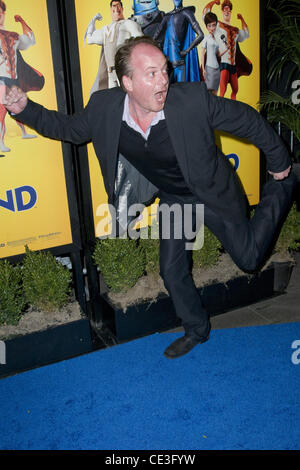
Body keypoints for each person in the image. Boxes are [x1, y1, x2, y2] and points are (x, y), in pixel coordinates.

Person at [3, 36, 299, 359]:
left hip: (211, 193)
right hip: (175, 197)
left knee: (249, 258)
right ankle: (197, 328)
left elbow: (248, 120)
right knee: (171, 270)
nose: (163, 80)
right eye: (152, 74)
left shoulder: (191, 101)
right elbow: (69, 129)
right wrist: (25, 109)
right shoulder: (106, 108)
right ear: (127, 82)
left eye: (164, 70)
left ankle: (284, 186)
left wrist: (280, 162)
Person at [0, 1, 44, 152]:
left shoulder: (13, 36)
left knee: (17, 106)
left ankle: (24, 133)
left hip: (14, 79)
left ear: (3, 14)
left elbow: (30, 40)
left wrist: (22, 21)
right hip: (1, 79)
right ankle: (0, 142)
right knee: (2, 110)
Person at [84, 0, 142, 92]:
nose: (116, 8)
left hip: (125, 71)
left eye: (118, 6)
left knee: (127, 96)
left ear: (122, 9)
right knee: (114, 98)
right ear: (110, 9)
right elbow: (89, 39)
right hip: (110, 73)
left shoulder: (128, 24)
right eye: (113, 6)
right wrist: (93, 21)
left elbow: (141, 41)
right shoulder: (106, 29)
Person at [203, 0, 251, 100]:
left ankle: (232, 111)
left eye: (229, 10)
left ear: (230, 12)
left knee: (235, 90)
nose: (227, 11)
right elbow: (205, 14)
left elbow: (246, 34)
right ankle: (219, 110)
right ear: (222, 11)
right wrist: (214, 2)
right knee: (222, 90)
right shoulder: (217, 26)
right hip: (223, 64)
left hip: (233, 65)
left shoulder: (236, 30)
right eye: (225, 9)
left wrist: (241, 19)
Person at [153, 0, 204, 83]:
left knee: (180, 92)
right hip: (167, 65)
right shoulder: (167, 16)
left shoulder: (186, 12)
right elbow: (154, 38)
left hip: (179, 63)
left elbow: (201, 35)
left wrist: (187, 50)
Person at [201, 12, 228, 95]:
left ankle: (214, 108)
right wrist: (203, 68)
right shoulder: (206, 38)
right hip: (209, 68)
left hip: (217, 69)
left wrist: (227, 49)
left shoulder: (217, 39)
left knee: (215, 93)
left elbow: (218, 55)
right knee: (209, 92)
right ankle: (208, 108)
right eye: (209, 25)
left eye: (214, 25)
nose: (212, 28)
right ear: (206, 26)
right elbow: (202, 54)